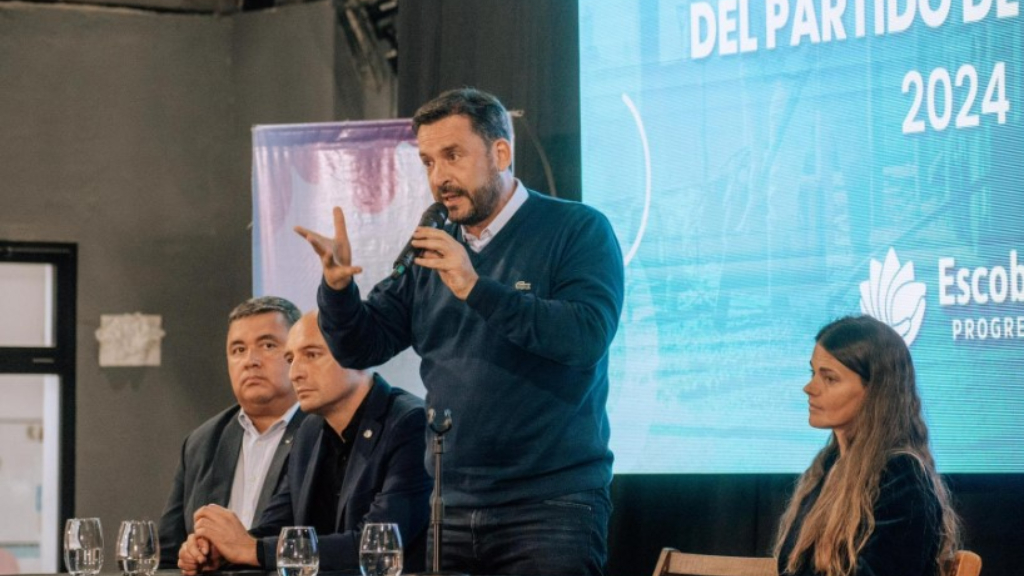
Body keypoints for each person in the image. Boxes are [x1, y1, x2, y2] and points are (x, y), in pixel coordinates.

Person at [295, 87, 625, 575]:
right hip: (448, 507)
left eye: (452, 155)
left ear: (501, 152)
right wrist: (338, 290)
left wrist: (475, 285)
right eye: (428, 162)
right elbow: (361, 346)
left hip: (550, 509)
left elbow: (585, 336)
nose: (439, 177)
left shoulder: (576, 230)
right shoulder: (433, 245)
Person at [176, 311, 431, 574]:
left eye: (312, 355)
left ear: (358, 353)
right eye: (290, 359)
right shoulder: (309, 430)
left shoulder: (411, 424)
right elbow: (277, 525)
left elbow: (376, 547)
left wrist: (251, 550)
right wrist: (224, 551)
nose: (295, 373)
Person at [774, 315, 961, 576]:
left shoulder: (901, 478)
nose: (810, 387)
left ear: (874, 391)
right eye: (813, 373)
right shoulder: (827, 468)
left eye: (830, 379)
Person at [158, 296, 306, 568]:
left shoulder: (324, 433)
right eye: (238, 350)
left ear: (297, 354)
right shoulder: (202, 442)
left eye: (268, 345)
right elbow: (166, 556)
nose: (251, 361)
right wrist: (189, 556)